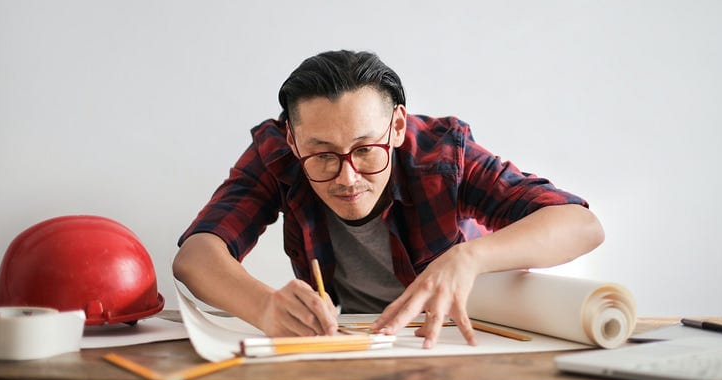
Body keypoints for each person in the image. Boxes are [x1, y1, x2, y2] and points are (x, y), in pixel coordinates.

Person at [173, 50, 604, 348]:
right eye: (322, 154)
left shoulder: (440, 155)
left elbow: (581, 225)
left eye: (365, 149)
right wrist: (264, 306)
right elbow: (196, 256)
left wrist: (467, 259)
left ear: (397, 126)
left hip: (446, 339)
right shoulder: (278, 155)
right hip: (347, 343)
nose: (348, 178)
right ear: (293, 138)